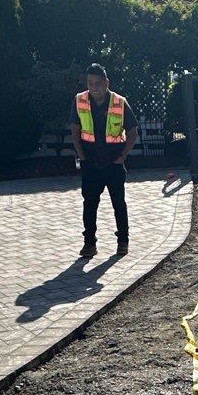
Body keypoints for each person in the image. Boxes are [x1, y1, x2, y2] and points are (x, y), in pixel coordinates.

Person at [69, 62, 137, 261]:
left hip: (113, 163)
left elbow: (132, 132)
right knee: (89, 203)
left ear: (106, 82)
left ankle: (123, 241)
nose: (94, 87)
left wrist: (122, 157)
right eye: (90, 83)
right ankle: (89, 244)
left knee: (119, 203)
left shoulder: (119, 102)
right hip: (90, 163)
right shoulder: (79, 101)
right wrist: (81, 156)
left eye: (98, 83)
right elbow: (75, 131)